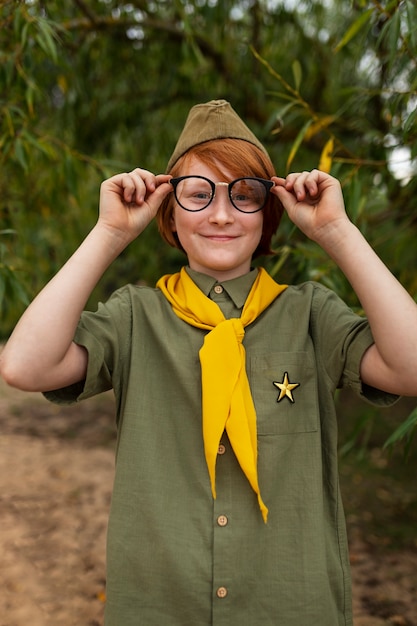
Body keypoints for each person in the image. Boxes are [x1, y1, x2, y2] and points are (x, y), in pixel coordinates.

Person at [1, 99, 417, 626]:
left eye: (244, 196)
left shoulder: (309, 313)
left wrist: (336, 232)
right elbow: (24, 367)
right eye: (198, 195)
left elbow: (411, 367)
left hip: (289, 604)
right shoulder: (136, 316)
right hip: (161, 605)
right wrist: (110, 234)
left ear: (269, 212)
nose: (221, 214)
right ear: (169, 212)